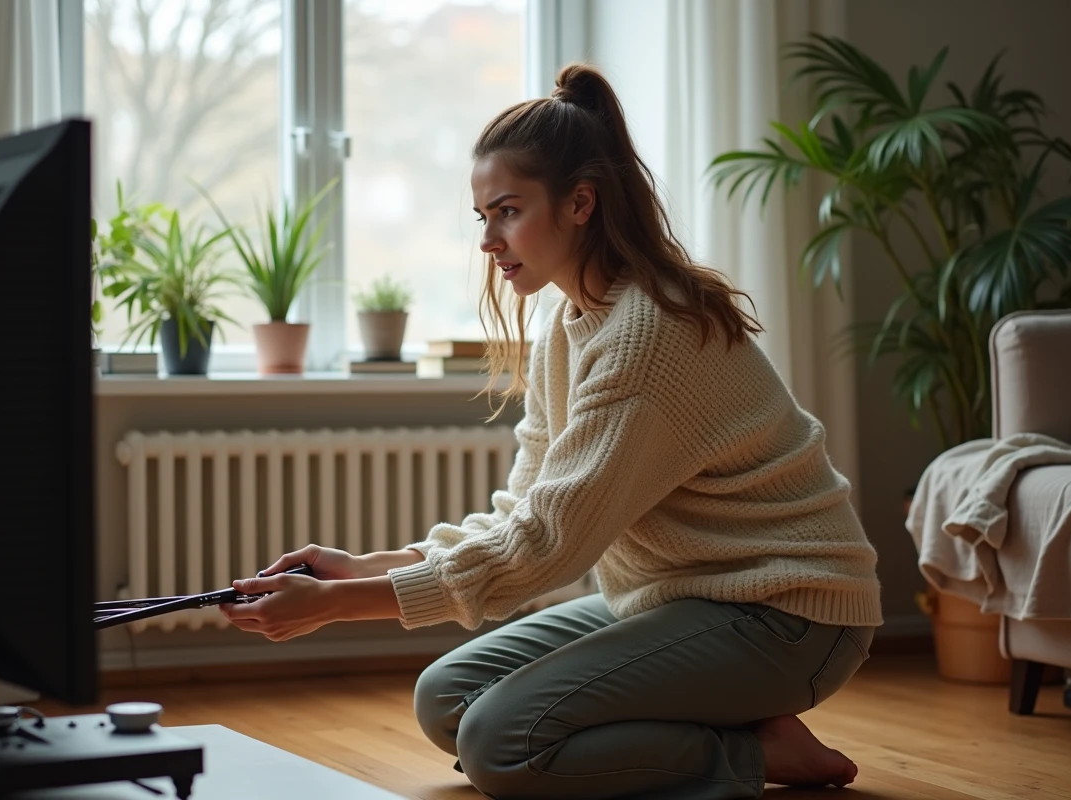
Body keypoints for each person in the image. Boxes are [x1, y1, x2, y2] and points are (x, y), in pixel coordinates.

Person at [220, 62, 883, 799]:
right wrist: (364, 567)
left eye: (506, 211)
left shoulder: (645, 335)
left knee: (500, 741)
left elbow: (546, 548)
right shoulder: (569, 329)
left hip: (785, 616)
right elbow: (524, 512)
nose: (488, 240)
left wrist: (337, 606)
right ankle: (750, 729)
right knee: (448, 700)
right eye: (483, 217)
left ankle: (757, 758)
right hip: (673, 596)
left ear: (580, 203)